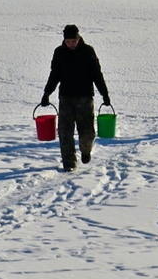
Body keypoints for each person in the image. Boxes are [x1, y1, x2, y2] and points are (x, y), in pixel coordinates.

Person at [40, 24, 111, 172]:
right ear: (64, 40)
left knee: (87, 132)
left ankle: (86, 150)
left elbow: (97, 74)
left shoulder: (88, 51)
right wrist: (47, 93)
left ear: (78, 38)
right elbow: (54, 75)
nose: (71, 44)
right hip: (66, 97)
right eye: (68, 41)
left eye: (74, 41)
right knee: (65, 132)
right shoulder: (59, 53)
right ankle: (69, 163)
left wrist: (104, 94)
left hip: (85, 98)